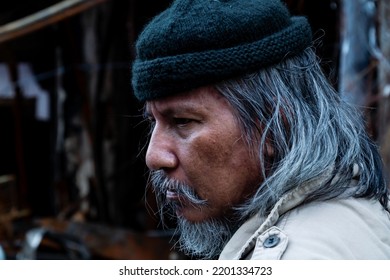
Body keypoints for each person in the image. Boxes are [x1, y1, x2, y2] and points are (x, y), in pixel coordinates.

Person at [131, 0, 390, 259]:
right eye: (154, 122)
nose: (154, 157)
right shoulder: (352, 211)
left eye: (183, 121)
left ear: (273, 125)